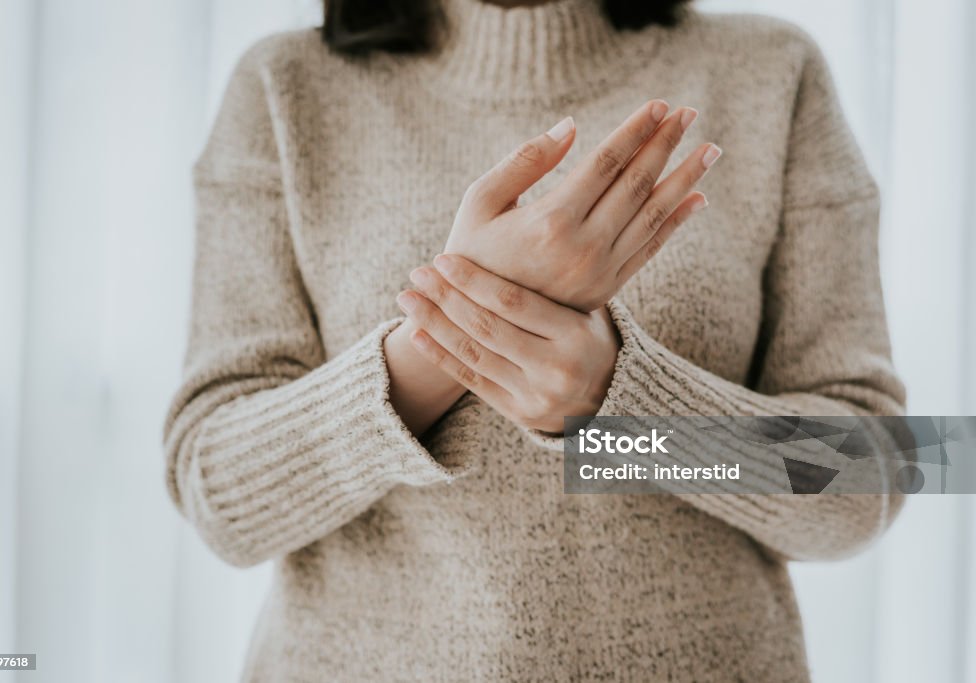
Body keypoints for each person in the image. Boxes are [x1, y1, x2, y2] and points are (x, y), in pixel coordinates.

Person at [163, 0, 907, 679]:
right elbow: (217, 494)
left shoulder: (774, 69)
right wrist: (446, 343)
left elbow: (883, 468)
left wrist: (619, 410)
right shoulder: (283, 86)